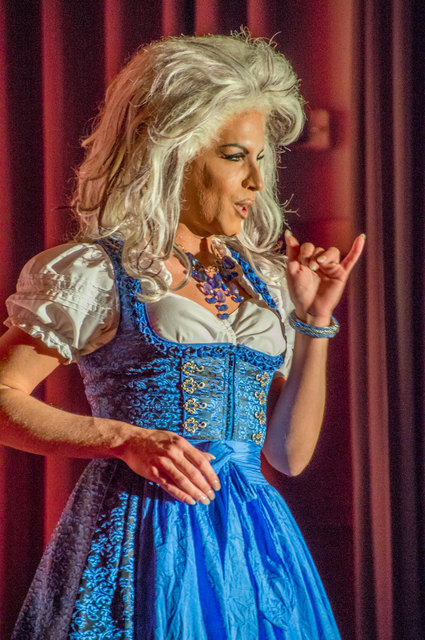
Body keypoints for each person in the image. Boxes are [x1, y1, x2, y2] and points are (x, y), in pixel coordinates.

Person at [1, 32, 365, 639]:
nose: (256, 181)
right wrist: (125, 439)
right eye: (234, 156)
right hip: (144, 534)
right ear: (173, 153)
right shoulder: (99, 271)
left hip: (254, 545)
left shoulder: (265, 282)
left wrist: (314, 321)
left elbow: (288, 455)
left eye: (262, 159)